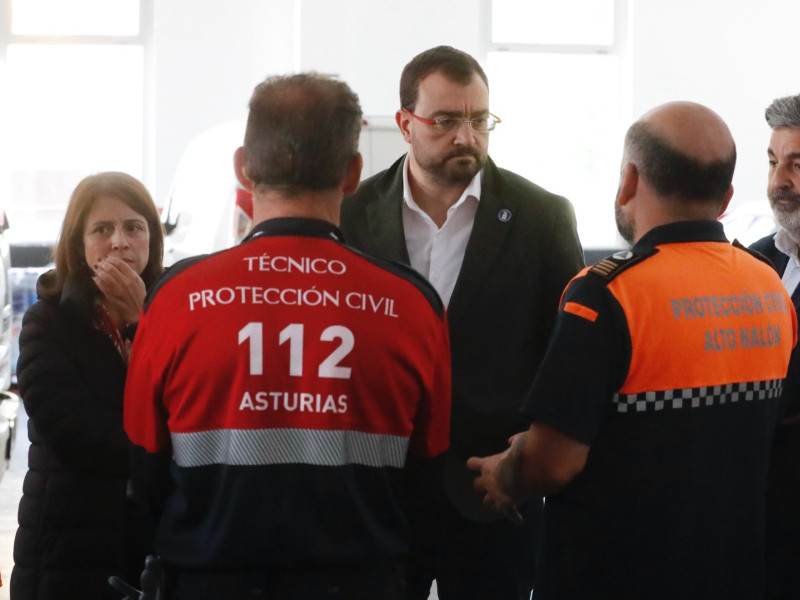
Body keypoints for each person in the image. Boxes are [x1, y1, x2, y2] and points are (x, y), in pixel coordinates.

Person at [123, 73, 451, 600]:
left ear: (242, 169)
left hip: (207, 582)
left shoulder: (176, 301)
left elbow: (143, 473)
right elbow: (429, 480)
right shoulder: (412, 307)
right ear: (352, 174)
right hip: (362, 583)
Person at [468, 101, 797, 600]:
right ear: (726, 196)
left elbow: (552, 463)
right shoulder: (769, 288)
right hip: (733, 573)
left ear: (628, 180)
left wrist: (504, 475)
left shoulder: (605, 296)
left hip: (614, 575)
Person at [339, 45, 584, 600]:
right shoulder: (352, 215)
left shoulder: (541, 217)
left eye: (479, 120)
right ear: (405, 124)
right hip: (380, 489)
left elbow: (565, 358)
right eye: (445, 121)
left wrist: (526, 463)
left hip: (491, 489)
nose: (466, 137)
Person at [10, 172, 163, 600]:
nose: (119, 242)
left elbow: (188, 406)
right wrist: (159, 456)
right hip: (64, 546)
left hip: (147, 546)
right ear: (79, 243)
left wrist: (139, 322)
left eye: (134, 227)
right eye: (102, 229)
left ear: (151, 238)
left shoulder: (172, 313)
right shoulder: (48, 320)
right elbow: (74, 430)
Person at [750, 93, 800, 599]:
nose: (778, 182)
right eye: (772, 162)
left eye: (796, 165)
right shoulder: (754, 263)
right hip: (752, 515)